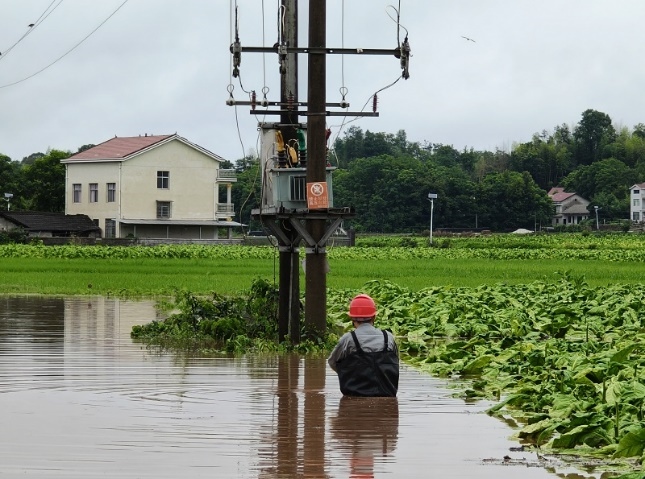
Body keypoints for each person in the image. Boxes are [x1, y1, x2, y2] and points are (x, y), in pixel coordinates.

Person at [328, 294, 399, 397]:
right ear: (374, 317)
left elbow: (332, 362)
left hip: (354, 398)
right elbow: (396, 361)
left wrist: (347, 372)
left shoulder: (348, 339)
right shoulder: (389, 338)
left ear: (352, 318)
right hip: (387, 396)